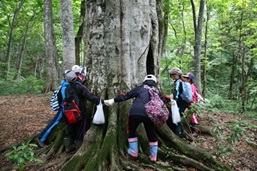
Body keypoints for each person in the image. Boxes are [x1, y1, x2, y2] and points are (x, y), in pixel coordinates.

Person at [104, 74, 167, 162]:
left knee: (131, 131)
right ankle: (153, 156)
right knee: (151, 134)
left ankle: (134, 152)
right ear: (155, 83)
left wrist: (113, 100)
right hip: (150, 115)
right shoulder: (157, 92)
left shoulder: (140, 88)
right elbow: (164, 101)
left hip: (135, 113)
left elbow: (126, 96)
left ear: (144, 81)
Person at [63, 70, 103, 153]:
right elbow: (90, 96)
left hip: (68, 113)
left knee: (69, 129)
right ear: (76, 77)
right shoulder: (80, 87)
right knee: (81, 130)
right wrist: (100, 101)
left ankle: (68, 147)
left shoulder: (66, 89)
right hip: (80, 112)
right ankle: (79, 147)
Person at [36, 70, 70, 147]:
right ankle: (41, 138)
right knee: (54, 123)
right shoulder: (64, 86)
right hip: (63, 109)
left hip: (65, 108)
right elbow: (65, 99)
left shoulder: (67, 85)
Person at [167, 68, 190, 138]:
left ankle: (178, 135)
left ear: (176, 75)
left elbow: (176, 93)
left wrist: (174, 102)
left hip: (179, 104)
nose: (172, 77)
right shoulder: (182, 82)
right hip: (183, 103)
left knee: (176, 119)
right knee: (178, 118)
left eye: (172, 75)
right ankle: (181, 133)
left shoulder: (178, 82)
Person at [182, 72, 200, 137]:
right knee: (191, 116)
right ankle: (193, 130)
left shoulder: (191, 86)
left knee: (193, 116)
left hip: (193, 103)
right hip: (190, 103)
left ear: (189, 79)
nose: (184, 79)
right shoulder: (188, 85)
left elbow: (191, 96)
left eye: (186, 78)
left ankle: (196, 132)